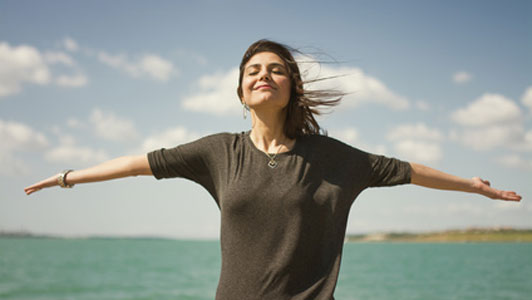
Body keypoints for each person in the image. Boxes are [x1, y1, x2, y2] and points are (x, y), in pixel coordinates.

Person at [24, 39, 521, 300]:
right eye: (253, 71)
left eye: (277, 69)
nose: (265, 75)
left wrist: (474, 188)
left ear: (291, 87)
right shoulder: (218, 152)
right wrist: (68, 176)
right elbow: (138, 164)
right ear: (242, 92)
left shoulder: (331, 158)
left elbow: (406, 170)